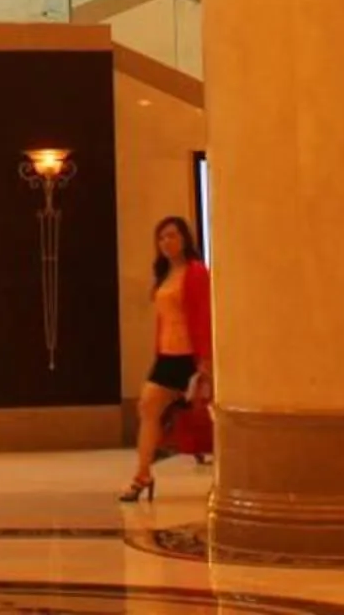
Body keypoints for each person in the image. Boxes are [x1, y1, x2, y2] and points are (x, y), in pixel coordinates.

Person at [122, 215, 212, 502]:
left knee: (207, 417)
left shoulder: (196, 272)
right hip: (167, 355)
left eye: (172, 235)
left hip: (191, 355)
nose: (166, 242)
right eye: (161, 238)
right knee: (148, 407)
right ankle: (143, 473)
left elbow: (203, 315)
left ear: (185, 238)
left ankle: (222, 474)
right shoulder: (164, 275)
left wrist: (206, 360)